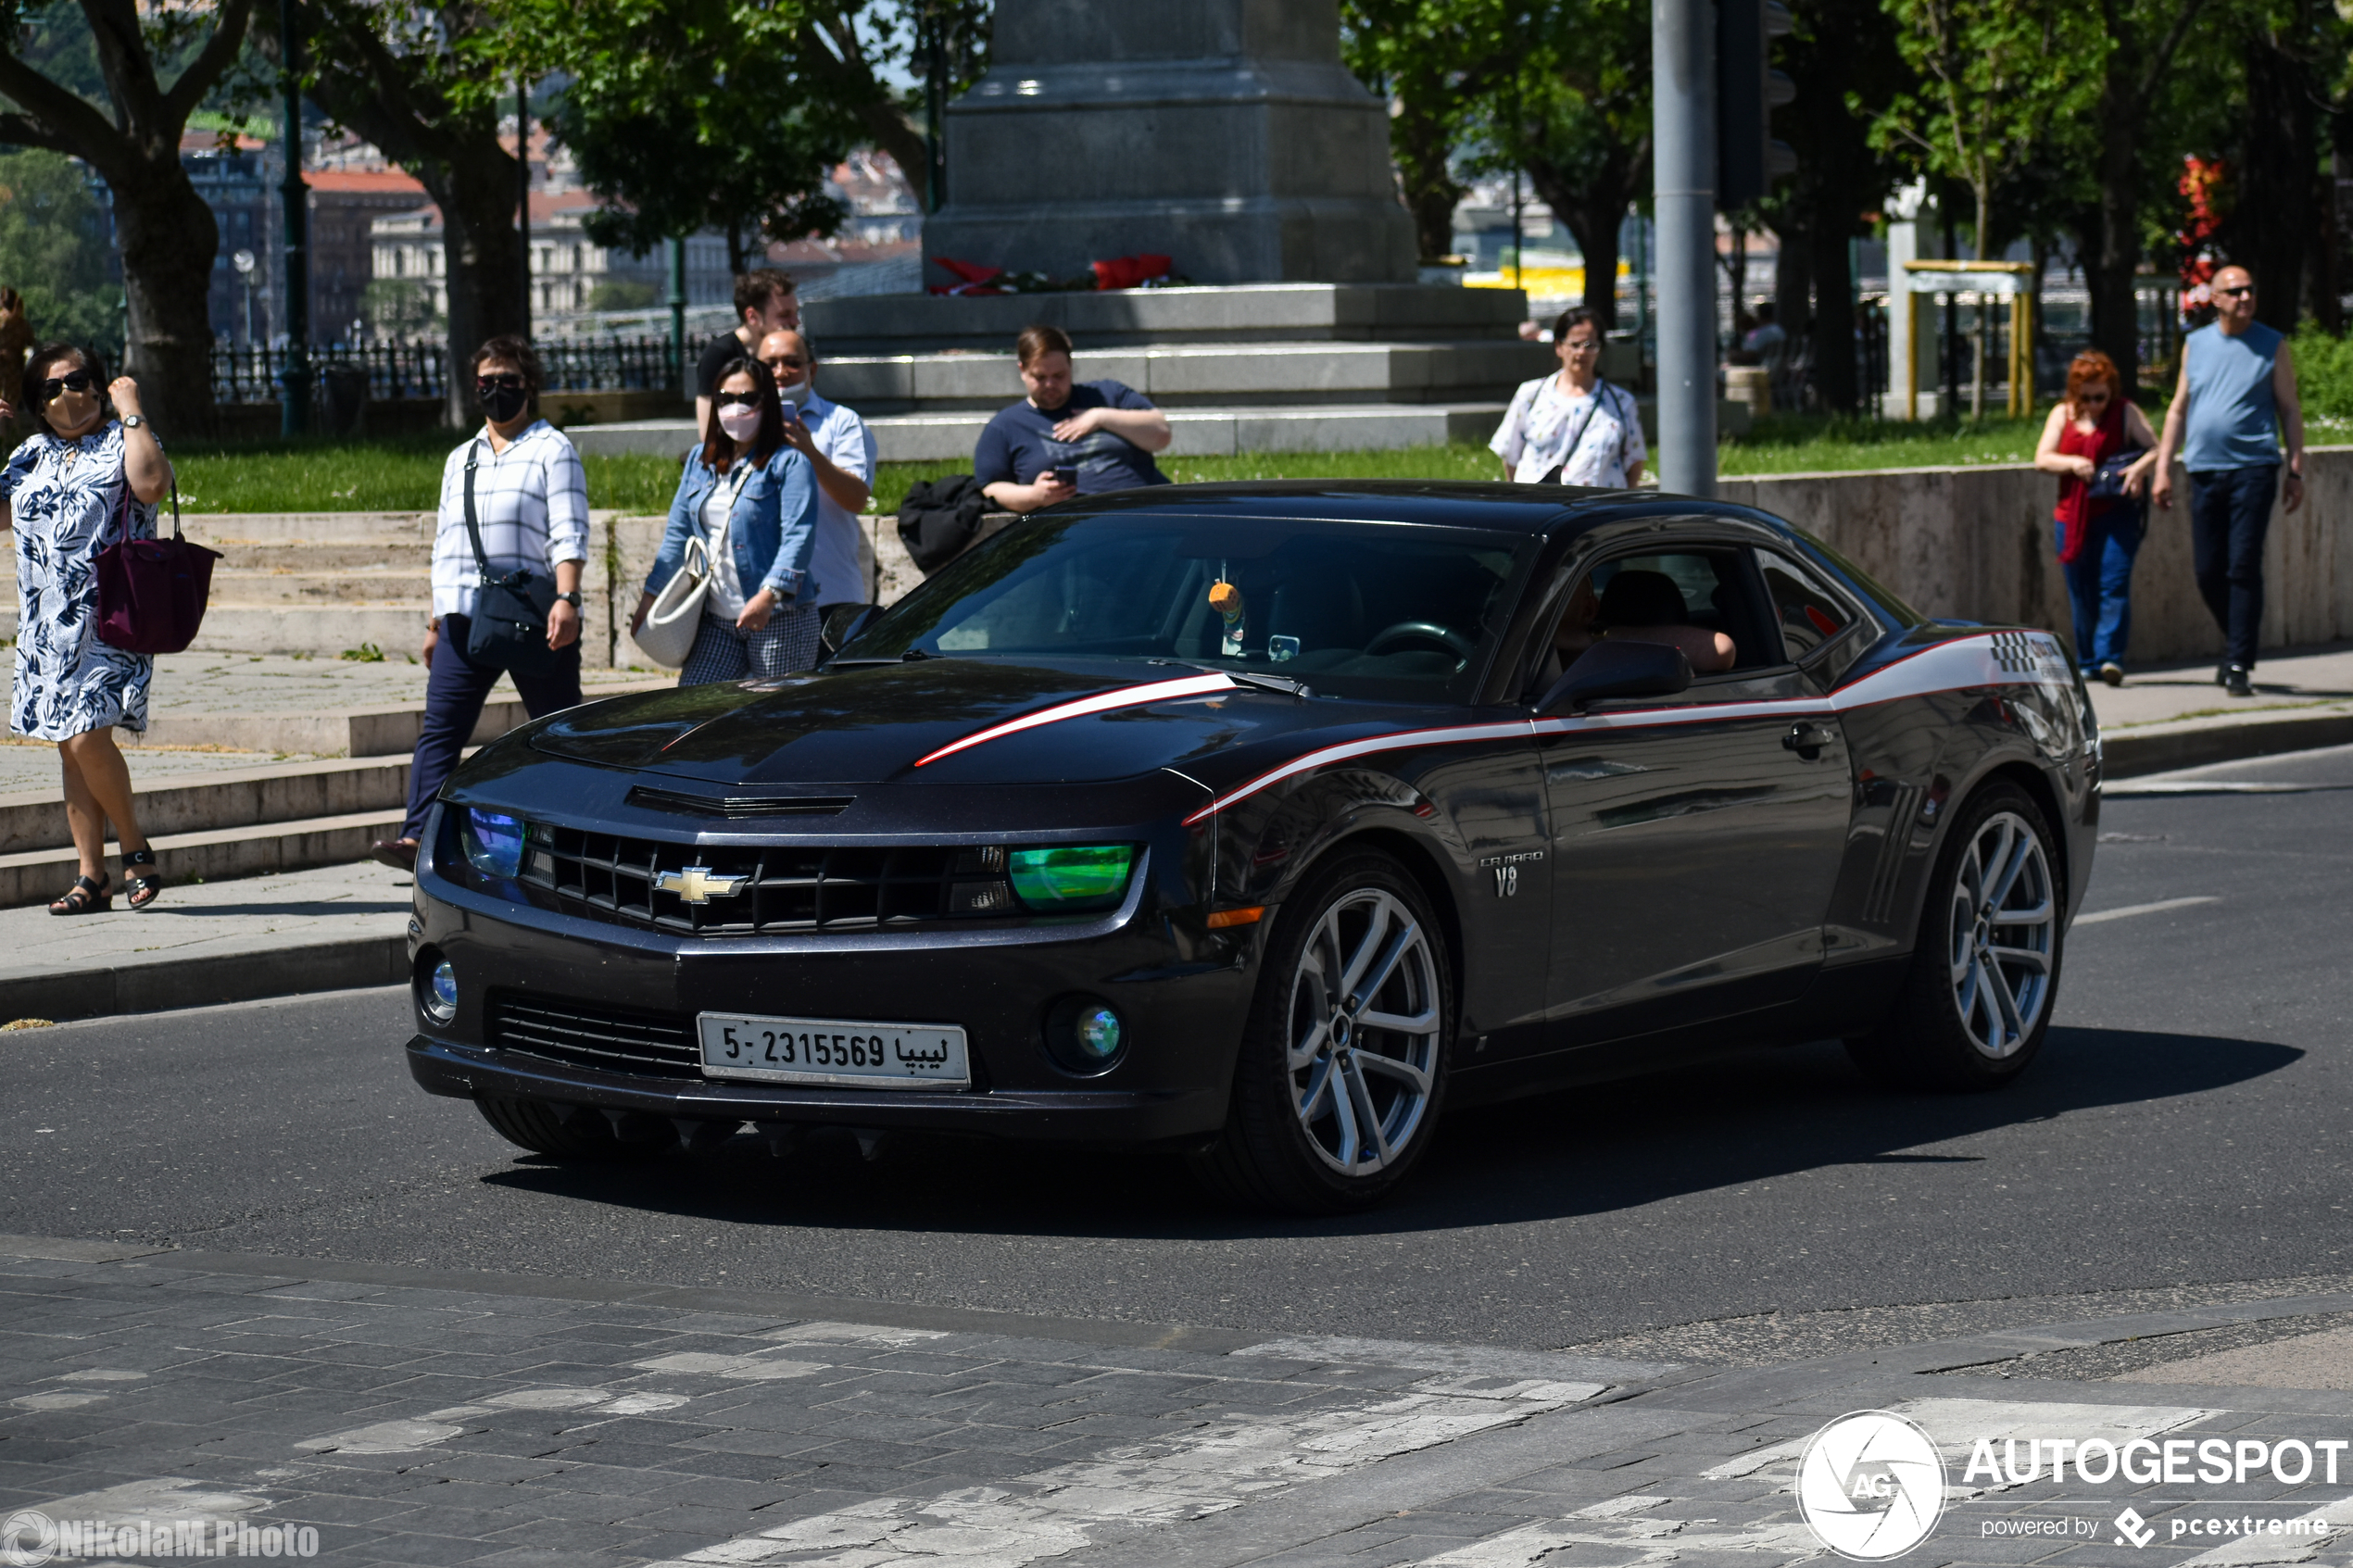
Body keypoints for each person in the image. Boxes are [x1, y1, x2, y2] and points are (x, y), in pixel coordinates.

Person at [370, 337, 587, 872]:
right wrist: (435, 621)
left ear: (529, 386)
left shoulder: (551, 449)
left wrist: (567, 596)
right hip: (466, 615)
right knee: (440, 730)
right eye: (486, 382)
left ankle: (584, 833)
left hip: (534, 613)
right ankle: (416, 836)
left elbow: (569, 531)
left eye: (508, 381)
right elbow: (447, 544)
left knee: (560, 728)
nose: (497, 391)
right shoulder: (460, 458)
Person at [0, 344, 169, 913]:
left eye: (75, 380)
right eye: (49, 388)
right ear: (36, 405)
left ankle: (136, 848)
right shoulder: (29, 455)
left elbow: (151, 487)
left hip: (112, 620)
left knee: (86, 735)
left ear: (97, 384)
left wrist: (132, 407)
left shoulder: (125, 438)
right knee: (69, 750)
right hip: (46, 626)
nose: (65, 394)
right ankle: (91, 876)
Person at [2152, 263, 2304, 698]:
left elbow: (2290, 410)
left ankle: (2238, 661)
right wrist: (2164, 466)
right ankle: (2237, 639)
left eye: (2250, 290)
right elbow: (2179, 408)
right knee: (2207, 570)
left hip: (2253, 468)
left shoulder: (2271, 345)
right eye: (2235, 291)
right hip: (2203, 468)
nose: (2244, 297)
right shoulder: (2195, 344)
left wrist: (2295, 469)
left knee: (2242, 565)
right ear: (2215, 298)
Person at [633, 358, 823, 684]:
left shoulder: (789, 464)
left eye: (748, 398)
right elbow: (677, 535)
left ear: (768, 403)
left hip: (780, 618)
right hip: (717, 620)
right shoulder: (700, 460)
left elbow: (798, 536)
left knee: (773, 718)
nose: (735, 407)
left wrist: (769, 595)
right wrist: (650, 598)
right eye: (725, 398)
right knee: (694, 705)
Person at [2033, 349, 2159, 687]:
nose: (2094, 405)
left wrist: (2138, 470)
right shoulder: (2062, 414)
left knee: (2113, 585)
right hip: (2073, 516)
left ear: (2111, 389)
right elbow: (2042, 458)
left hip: (2117, 514)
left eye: (2100, 397)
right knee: (2081, 590)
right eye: (2086, 397)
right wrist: (2073, 463)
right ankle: (2087, 659)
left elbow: (2157, 448)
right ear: (2075, 392)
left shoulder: (2126, 413)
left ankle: (2110, 658)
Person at [975, 325, 1171, 513]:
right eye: (1040, 377)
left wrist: (1101, 416)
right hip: (1073, 523)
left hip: (1143, 509)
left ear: (1071, 366)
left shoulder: (1108, 395)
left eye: (1059, 375)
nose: (1050, 384)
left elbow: (1161, 434)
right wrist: (1034, 496)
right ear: (1022, 370)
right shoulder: (1006, 425)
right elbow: (990, 488)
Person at [755, 328, 877, 615]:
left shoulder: (842, 422)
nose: (781, 372)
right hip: (754, 598)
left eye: (792, 362)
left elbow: (856, 498)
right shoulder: (738, 425)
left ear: (813, 369)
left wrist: (809, 451)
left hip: (829, 595)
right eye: (769, 364)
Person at [1491, 306, 1647, 488]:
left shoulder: (1621, 402)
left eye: (1590, 345)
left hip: (1599, 509)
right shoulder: (1530, 396)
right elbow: (1511, 457)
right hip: (1541, 508)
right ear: (1559, 346)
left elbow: (1635, 461)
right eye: (1575, 345)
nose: (1582, 352)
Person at [695, 269, 799, 433]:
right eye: (785, 315)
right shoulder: (719, 355)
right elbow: (707, 432)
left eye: (796, 313)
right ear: (752, 316)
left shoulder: (796, 352)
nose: (795, 322)